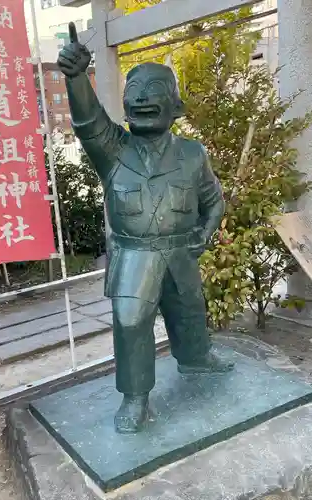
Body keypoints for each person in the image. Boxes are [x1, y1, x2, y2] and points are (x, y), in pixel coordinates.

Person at [57, 22, 233, 434]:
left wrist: (205, 234)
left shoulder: (192, 153)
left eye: (153, 89)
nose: (140, 96)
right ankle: (135, 397)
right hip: (135, 254)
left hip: (181, 252)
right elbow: (87, 122)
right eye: (134, 90)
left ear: (176, 106)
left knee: (189, 311)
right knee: (132, 322)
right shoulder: (113, 149)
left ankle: (197, 359)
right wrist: (78, 77)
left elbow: (213, 199)